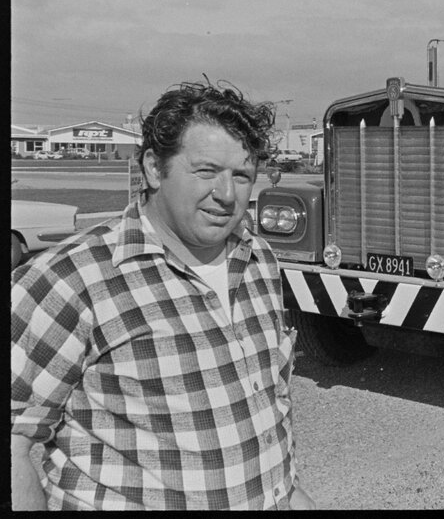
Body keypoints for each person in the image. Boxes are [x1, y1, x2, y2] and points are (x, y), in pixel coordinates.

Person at [11, 79, 316, 510]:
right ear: (154, 168)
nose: (226, 195)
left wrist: (291, 492)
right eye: (206, 171)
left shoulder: (258, 260)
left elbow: (268, 400)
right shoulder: (70, 278)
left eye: (242, 176)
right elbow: (14, 440)